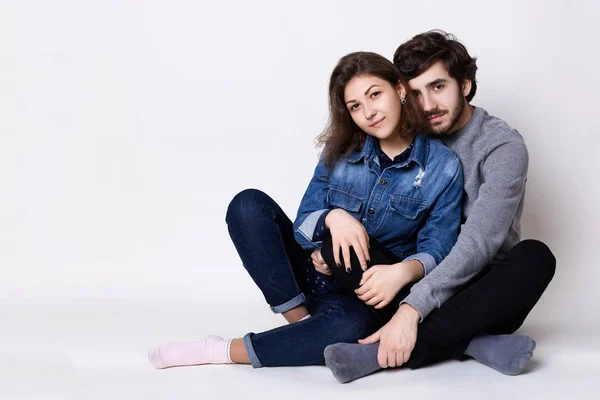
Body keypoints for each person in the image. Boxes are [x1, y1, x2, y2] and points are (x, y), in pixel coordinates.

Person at [147, 51, 465, 369]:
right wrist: (333, 218)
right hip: (311, 277)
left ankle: (219, 351)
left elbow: (439, 248)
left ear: (398, 89)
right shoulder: (341, 152)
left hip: (366, 294)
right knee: (247, 206)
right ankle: (301, 323)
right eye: (355, 106)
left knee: (348, 328)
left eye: (375, 95)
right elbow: (303, 223)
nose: (369, 113)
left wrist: (401, 273)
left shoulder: (443, 166)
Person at [323, 30, 556, 383]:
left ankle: (380, 354)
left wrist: (410, 310)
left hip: (482, 292)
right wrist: (333, 221)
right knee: (340, 244)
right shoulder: (406, 135)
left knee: (535, 257)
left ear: (464, 84)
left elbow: (479, 243)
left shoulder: (502, 147)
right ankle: (472, 344)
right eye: (415, 92)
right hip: (414, 274)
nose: (428, 105)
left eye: (437, 87)